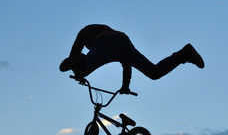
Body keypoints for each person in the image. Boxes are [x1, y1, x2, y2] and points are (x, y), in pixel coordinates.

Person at [60, 24, 204, 94]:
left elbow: (71, 58)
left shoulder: (85, 33)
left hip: (105, 40)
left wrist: (78, 74)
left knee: (81, 71)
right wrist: (125, 87)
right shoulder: (107, 33)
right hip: (123, 40)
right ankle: (184, 53)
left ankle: (81, 62)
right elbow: (126, 65)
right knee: (154, 72)